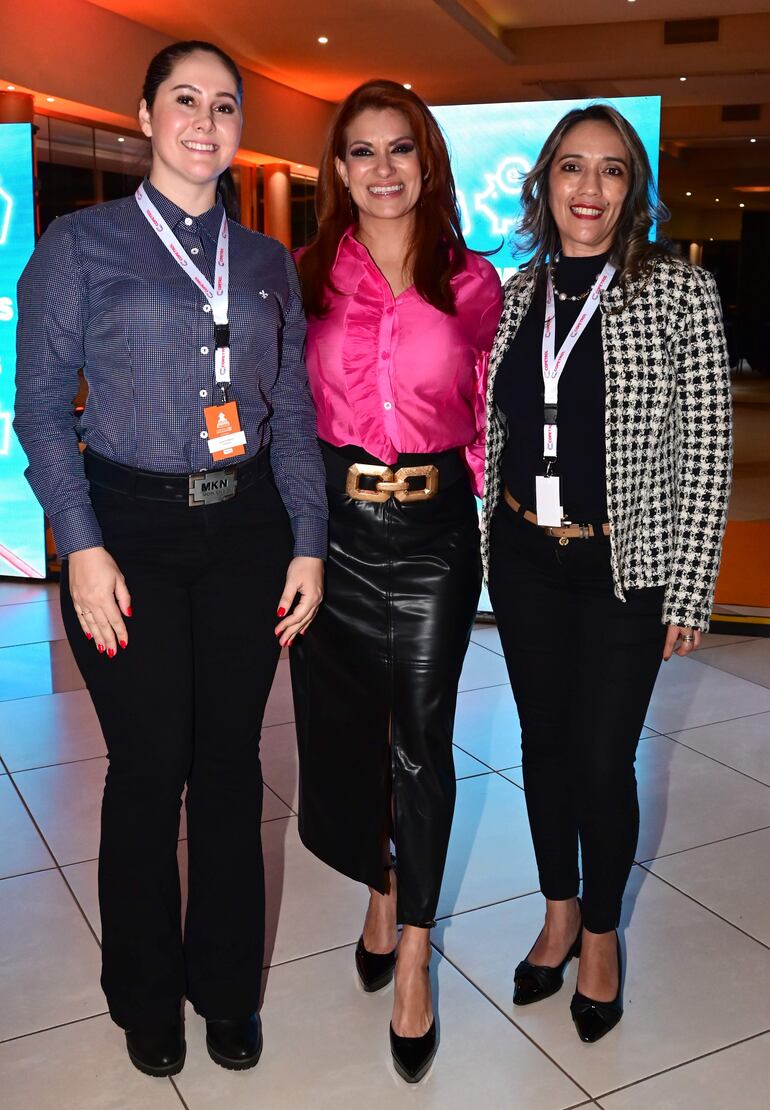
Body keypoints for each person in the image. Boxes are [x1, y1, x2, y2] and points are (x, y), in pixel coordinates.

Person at [15, 40, 326, 1077]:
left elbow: (288, 422)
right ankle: (143, 991)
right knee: (150, 769)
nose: (205, 120)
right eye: (184, 100)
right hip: (127, 532)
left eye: (225, 104)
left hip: (245, 535)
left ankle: (227, 989)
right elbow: (40, 412)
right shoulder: (80, 244)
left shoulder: (269, 260)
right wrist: (83, 546)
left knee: (231, 771)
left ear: (243, 127)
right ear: (145, 114)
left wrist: (309, 544)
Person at [483, 104, 732, 1043]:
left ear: (634, 191)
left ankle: (599, 935)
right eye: (572, 170)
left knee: (600, 757)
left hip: (622, 566)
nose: (589, 190)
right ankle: (555, 912)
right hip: (521, 557)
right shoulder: (518, 294)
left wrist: (694, 582)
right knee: (542, 748)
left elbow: (707, 444)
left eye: (612, 172)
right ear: (544, 185)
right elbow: (498, 426)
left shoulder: (675, 292)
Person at [292, 79, 501, 1082]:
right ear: (337, 169)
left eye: (400, 150)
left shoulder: (476, 283)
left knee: (419, 739)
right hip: (329, 528)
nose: (382, 170)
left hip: (431, 535)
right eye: (362, 152)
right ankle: (377, 885)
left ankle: (410, 948)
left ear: (427, 163)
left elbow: (498, 416)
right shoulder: (300, 277)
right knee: (343, 738)